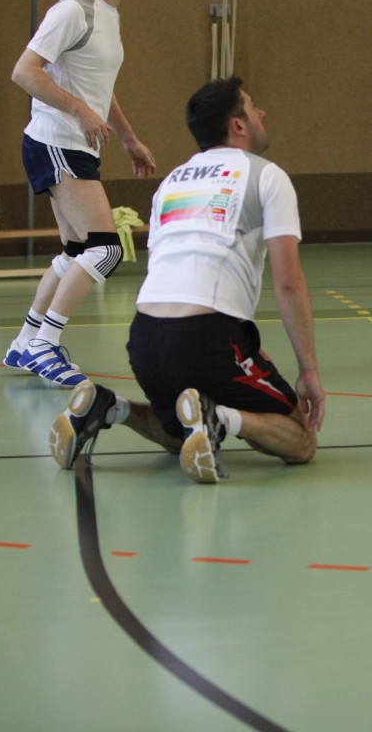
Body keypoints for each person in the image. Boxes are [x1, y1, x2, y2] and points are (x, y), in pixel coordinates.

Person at [48, 77, 325, 484]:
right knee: (300, 440)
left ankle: (109, 408)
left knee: (182, 433)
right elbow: (288, 283)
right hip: (205, 334)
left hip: (145, 338)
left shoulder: (173, 181)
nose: (262, 113)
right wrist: (308, 370)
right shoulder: (266, 176)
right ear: (238, 125)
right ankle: (220, 417)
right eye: (253, 107)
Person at [4, 0, 157, 387]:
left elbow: (99, 88)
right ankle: (44, 345)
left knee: (75, 251)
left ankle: (24, 341)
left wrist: (128, 138)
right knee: (105, 249)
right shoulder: (73, 10)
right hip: (56, 140)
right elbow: (24, 71)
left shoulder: (109, 14)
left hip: (75, 144)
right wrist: (79, 111)